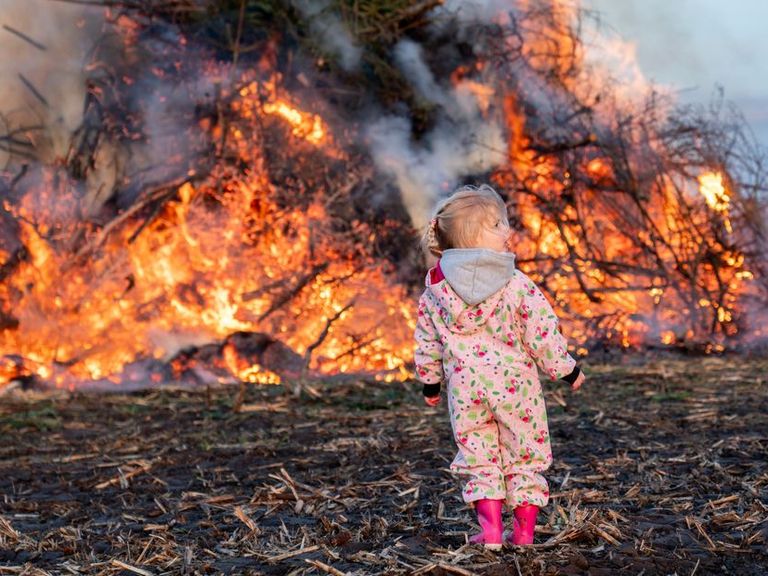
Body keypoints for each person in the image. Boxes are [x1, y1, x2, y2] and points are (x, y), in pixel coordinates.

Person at [414, 184, 585, 549]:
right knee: (525, 451)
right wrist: (567, 369)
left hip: (465, 390)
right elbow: (542, 333)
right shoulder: (517, 284)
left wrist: (431, 384)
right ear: (476, 237)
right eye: (497, 224)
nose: (507, 230)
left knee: (478, 454)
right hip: (516, 388)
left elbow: (426, 341)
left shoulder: (435, 291)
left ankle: (490, 532)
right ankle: (523, 533)